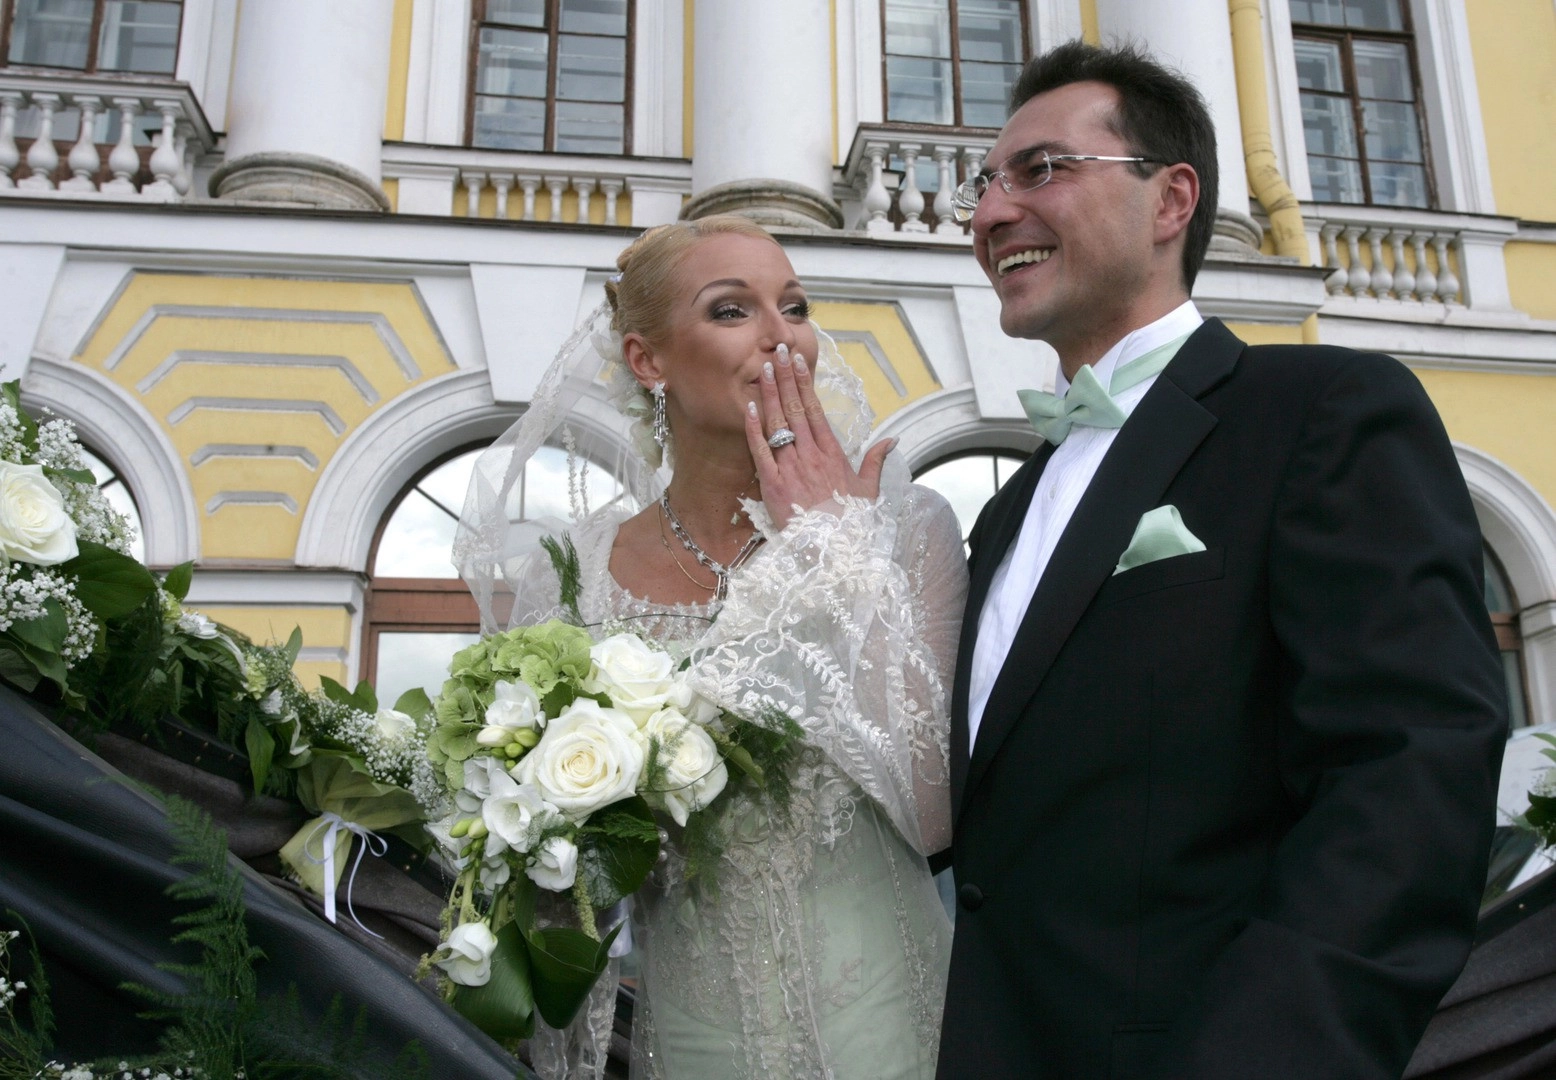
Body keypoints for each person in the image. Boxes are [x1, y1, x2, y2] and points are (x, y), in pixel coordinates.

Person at [938, 40, 1506, 1079]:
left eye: (1040, 170)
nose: (989, 213)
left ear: (1171, 199)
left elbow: (1406, 776)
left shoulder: (1320, 413)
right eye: (984, 185)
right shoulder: (1008, 509)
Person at [456, 215, 967, 1079]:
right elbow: (555, 875)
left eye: (795, 307)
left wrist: (831, 550)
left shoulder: (901, 525)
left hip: (895, 1025)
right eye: (733, 310)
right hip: (696, 1039)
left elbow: (933, 813)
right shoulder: (573, 580)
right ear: (648, 359)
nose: (782, 337)